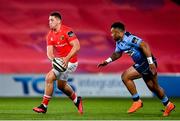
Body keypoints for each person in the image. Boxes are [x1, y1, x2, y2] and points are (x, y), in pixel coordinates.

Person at [97, 22, 175, 116]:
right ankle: (168, 104)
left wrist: (150, 63)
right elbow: (117, 53)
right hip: (144, 64)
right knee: (154, 87)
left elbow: (144, 45)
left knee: (125, 76)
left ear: (120, 32)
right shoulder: (119, 42)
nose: (112, 35)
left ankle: (137, 101)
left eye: (113, 32)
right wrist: (107, 61)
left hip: (146, 62)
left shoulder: (129, 38)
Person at [33, 11, 83, 114]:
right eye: (49, 20)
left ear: (59, 21)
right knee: (61, 86)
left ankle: (44, 106)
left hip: (71, 62)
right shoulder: (49, 35)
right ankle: (77, 100)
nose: (49, 22)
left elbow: (77, 46)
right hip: (61, 62)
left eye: (52, 20)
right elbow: (49, 53)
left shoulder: (67, 31)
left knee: (49, 77)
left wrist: (66, 58)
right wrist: (54, 60)